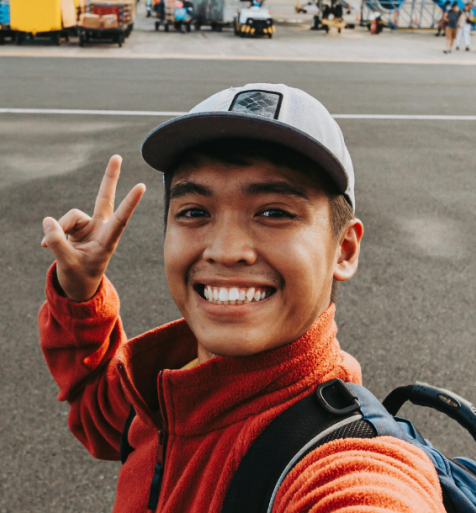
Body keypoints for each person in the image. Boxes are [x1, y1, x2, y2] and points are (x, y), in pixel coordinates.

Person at [39, 83, 446, 512]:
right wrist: (81, 293)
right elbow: (100, 416)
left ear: (343, 249)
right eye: (195, 211)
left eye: (273, 212)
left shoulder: (349, 461)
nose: (226, 250)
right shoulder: (170, 389)